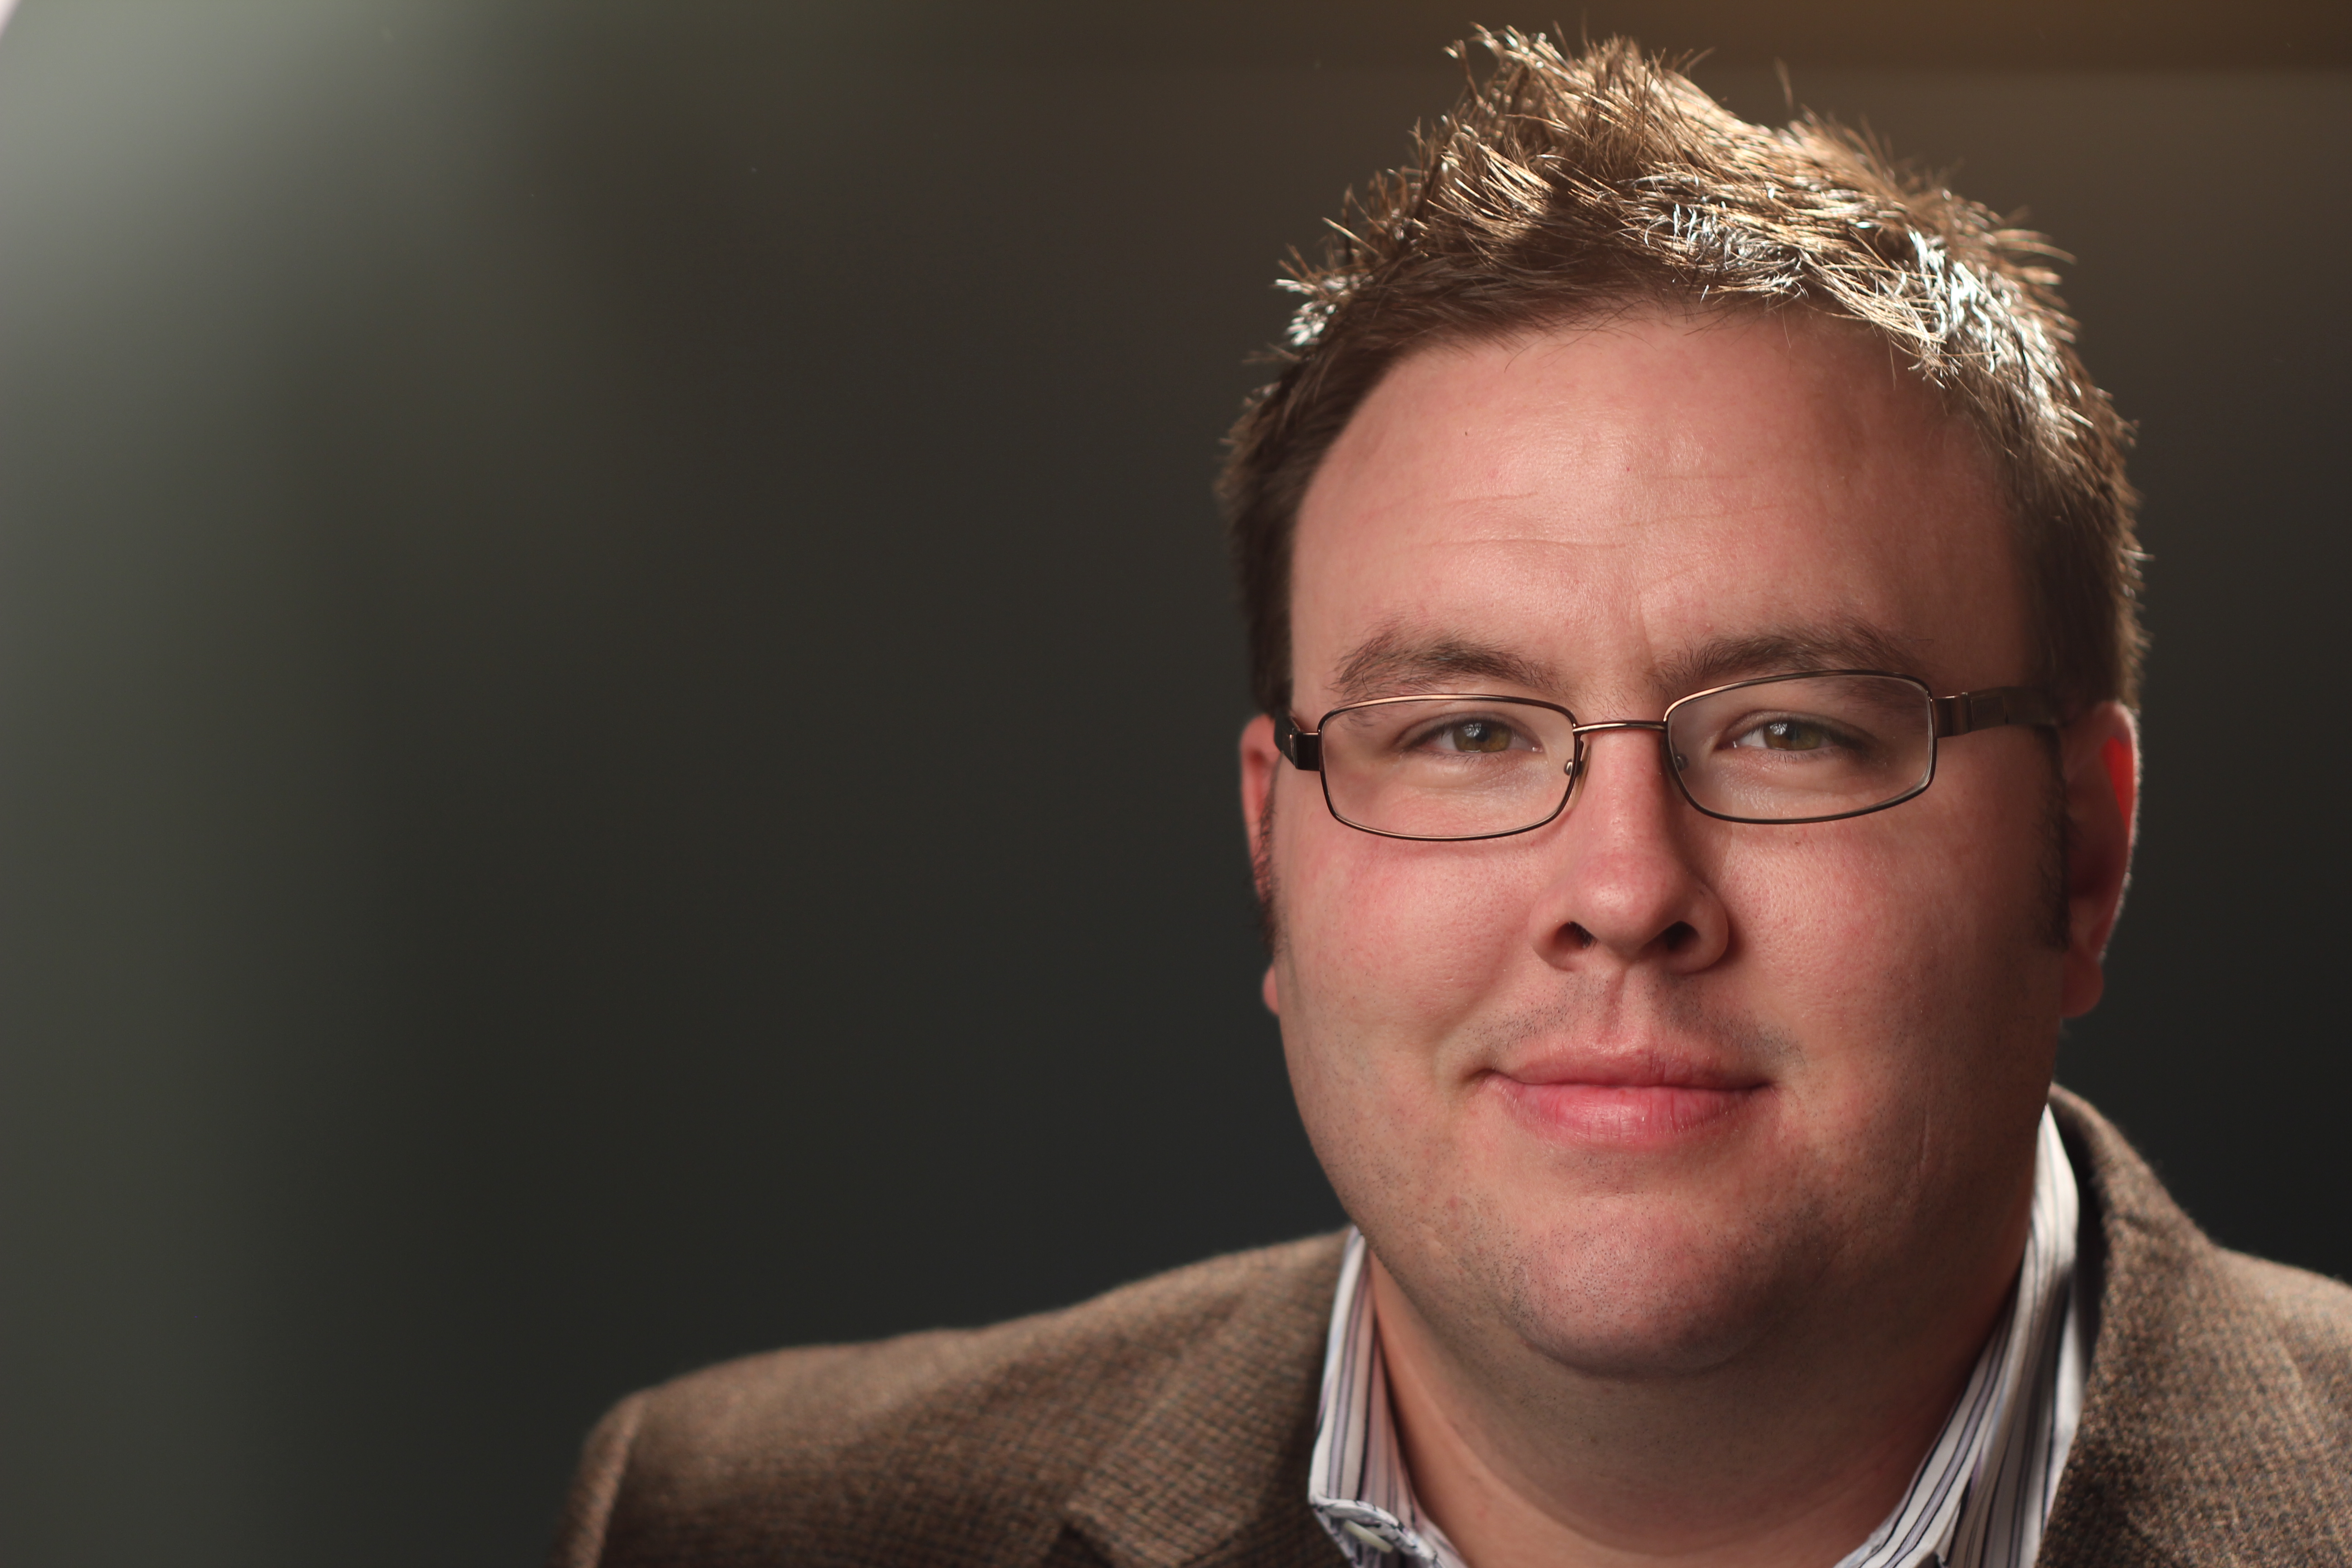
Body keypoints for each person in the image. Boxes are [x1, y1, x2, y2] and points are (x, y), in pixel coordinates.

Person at [546, 34, 2352, 1567]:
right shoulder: (743, 1525)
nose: (1627, 888)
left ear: (2087, 853)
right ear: (1274, 844)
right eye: (1468, 733)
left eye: (1794, 730)